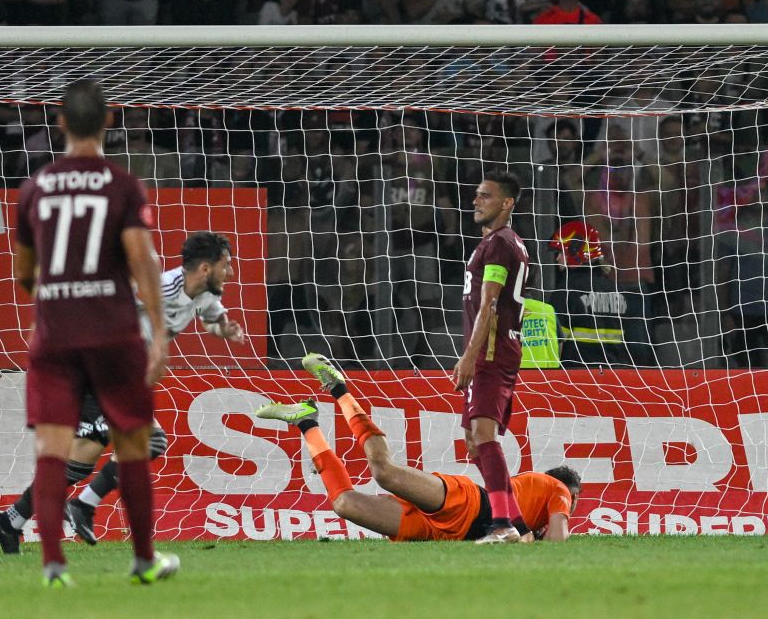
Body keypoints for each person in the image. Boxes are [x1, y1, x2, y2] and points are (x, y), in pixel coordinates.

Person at [5, 78, 177, 587]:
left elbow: (23, 275)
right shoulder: (121, 185)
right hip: (112, 332)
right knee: (132, 442)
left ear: (60, 121)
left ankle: (54, 565)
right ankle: (144, 560)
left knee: (55, 447)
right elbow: (142, 261)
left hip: (55, 333)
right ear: (108, 120)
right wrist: (160, 334)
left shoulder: (34, 188)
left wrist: (60, 287)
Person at [0, 230, 244, 551]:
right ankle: (83, 505)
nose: (231, 272)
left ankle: (9, 521)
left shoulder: (206, 294)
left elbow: (213, 319)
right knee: (149, 441)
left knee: (78, 464)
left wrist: (226, 329)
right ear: (205, 269)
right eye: (226, 265)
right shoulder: (159, 288)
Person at [255, 354, 581, 542]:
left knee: (345, 504)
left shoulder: (530, 500)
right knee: (384, 472)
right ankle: (338, 388)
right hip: (467, 507)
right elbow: (558, 539)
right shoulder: (556, 488)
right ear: (570, 492)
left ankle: (306, 421)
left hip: (446, 536)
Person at [452, 171, 532, 543]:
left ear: (506, 203)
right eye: (476, 194)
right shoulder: (508, 242)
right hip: (497, 348)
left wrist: (470, 357)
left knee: (483, 435)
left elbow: (489, 303)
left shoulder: (499, 244)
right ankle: (520, 526)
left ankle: (502, 526)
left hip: (489, 350)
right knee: (473, 439)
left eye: (485, 195)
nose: (476, 201)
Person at [547, 221, 633, 367]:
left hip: (578, 376)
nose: (557, 258)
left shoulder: (567, 289)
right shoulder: (616, 289)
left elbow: (556, 342)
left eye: (560, 252)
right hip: (616, 375)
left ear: (574, 251)